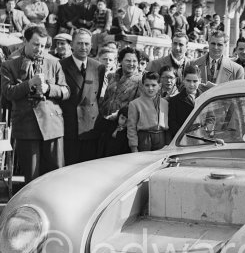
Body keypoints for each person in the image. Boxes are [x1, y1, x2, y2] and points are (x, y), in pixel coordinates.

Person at [0, 25, 70, 183]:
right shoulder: (9, 65)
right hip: (26, 126)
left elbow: (66, 91)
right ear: (25, 41)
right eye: (36, 44)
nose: (40, 49)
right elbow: (8, 93)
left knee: (56, 174)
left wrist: (49, 89)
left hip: (52, 127)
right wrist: (29, 83)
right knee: (32, 178)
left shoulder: (54, 63)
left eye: (43, 46)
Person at [59, 28, 105, 165]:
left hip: (90, 129)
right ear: (72, 45)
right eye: (79, 43)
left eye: (86, 44)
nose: (83, 47)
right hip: (69, 128)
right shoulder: (60, 66)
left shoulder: (98, 67)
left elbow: (96, 98)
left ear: (91, 45)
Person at [97, 46, 142, 155]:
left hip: (123, 127)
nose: (131, 64)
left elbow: (137, 105)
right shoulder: (112, 76)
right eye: (128, 60)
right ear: (121, 61)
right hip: (105, 123)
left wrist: (118, 115)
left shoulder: (140, 81)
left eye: (134, 61)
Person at [127, 71, 169, 152]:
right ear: (142, 86)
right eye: (147, 85)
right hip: (144, 138)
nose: (150, 88)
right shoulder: (135, 104)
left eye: (153, 85)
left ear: (159, 86)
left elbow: (167, 127)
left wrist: (168, 142)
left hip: (161, 136)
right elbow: (131, 127)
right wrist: (133, 146)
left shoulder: (165, 103)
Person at [168, 64, 202, 138]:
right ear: (183, 80)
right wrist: (185, 132)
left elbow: (211, 118)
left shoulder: (205, 97)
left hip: (203, 138)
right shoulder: (174, 101)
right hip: (183, 140)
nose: (191, 84)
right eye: (188, 81)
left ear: (200, 81)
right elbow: (172, 124)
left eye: (195, 81)